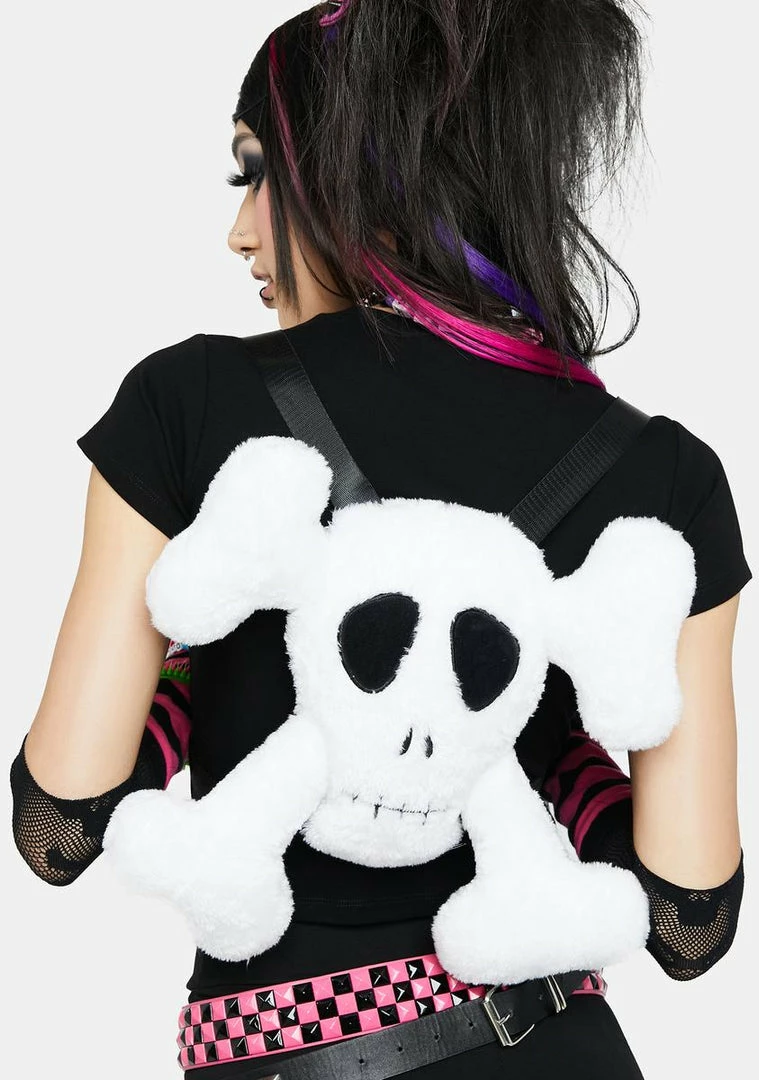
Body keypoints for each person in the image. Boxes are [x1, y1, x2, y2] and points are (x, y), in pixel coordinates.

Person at [10, 2, 752, 1077]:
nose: (240, 231)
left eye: (255, 176)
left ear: (357, 177)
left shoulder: (189, 403)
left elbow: (62, 822)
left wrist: (200, 669)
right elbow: (689, 917)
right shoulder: (664, 473)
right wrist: (541, 738)